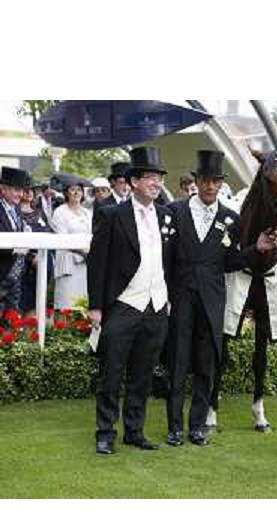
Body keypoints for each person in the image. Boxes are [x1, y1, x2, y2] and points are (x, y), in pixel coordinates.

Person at [165, 149, 277, 447]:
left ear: (220, 183)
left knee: (207, 363)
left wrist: (258, 248)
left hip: (213, 300)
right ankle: (175, 427)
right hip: (181, 296)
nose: (210, 186)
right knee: (178, 361)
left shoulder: (231, 218)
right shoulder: (175, 211)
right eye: (205, 180)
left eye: (215, 181)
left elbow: (231, 261)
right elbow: (165, 259)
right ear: (197, 181)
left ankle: (197, 426)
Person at [87, 147, 173, 455]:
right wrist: (96, 307)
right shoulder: (111, 214)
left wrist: (168, 299)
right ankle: (105, 432)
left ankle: (134, 431)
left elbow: (171, 262)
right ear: (133, 181)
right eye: (150, 177)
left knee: (143, 373)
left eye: (159, 177)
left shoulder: (166, 214)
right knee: (111, 372)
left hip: (156, 306)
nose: (156, 183)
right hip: (123, 304)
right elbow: (97, 263)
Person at [51, 175, 93, 309]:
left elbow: (92, 235)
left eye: (79, 190)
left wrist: (90, 253)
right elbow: (62, 238)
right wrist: (81, 252)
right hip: (68, 261)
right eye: (72, 190)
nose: (76, 193)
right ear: (66, 193)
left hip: (85, 262)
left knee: (83, 302)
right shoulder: (60, 212)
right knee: (66, 301)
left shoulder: (87, 212)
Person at [19, 182, 54, 317]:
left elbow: (50, 235)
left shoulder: (40, 212)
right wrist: (30, 258)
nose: (29, 193)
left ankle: (31, 336)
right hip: (25, 265)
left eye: (31, 190)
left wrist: (43, 254)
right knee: (23, 303)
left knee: (38, 304)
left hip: (43, 261)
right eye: (25, 190)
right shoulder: (15, 212)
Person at [0, 167, 30, 320]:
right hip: (1, 273)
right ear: (3, 189)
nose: (20, 194)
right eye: (16, 190)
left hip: (16, 275)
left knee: (11, 320)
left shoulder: (16, 210)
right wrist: (14, 249)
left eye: (21, 190)